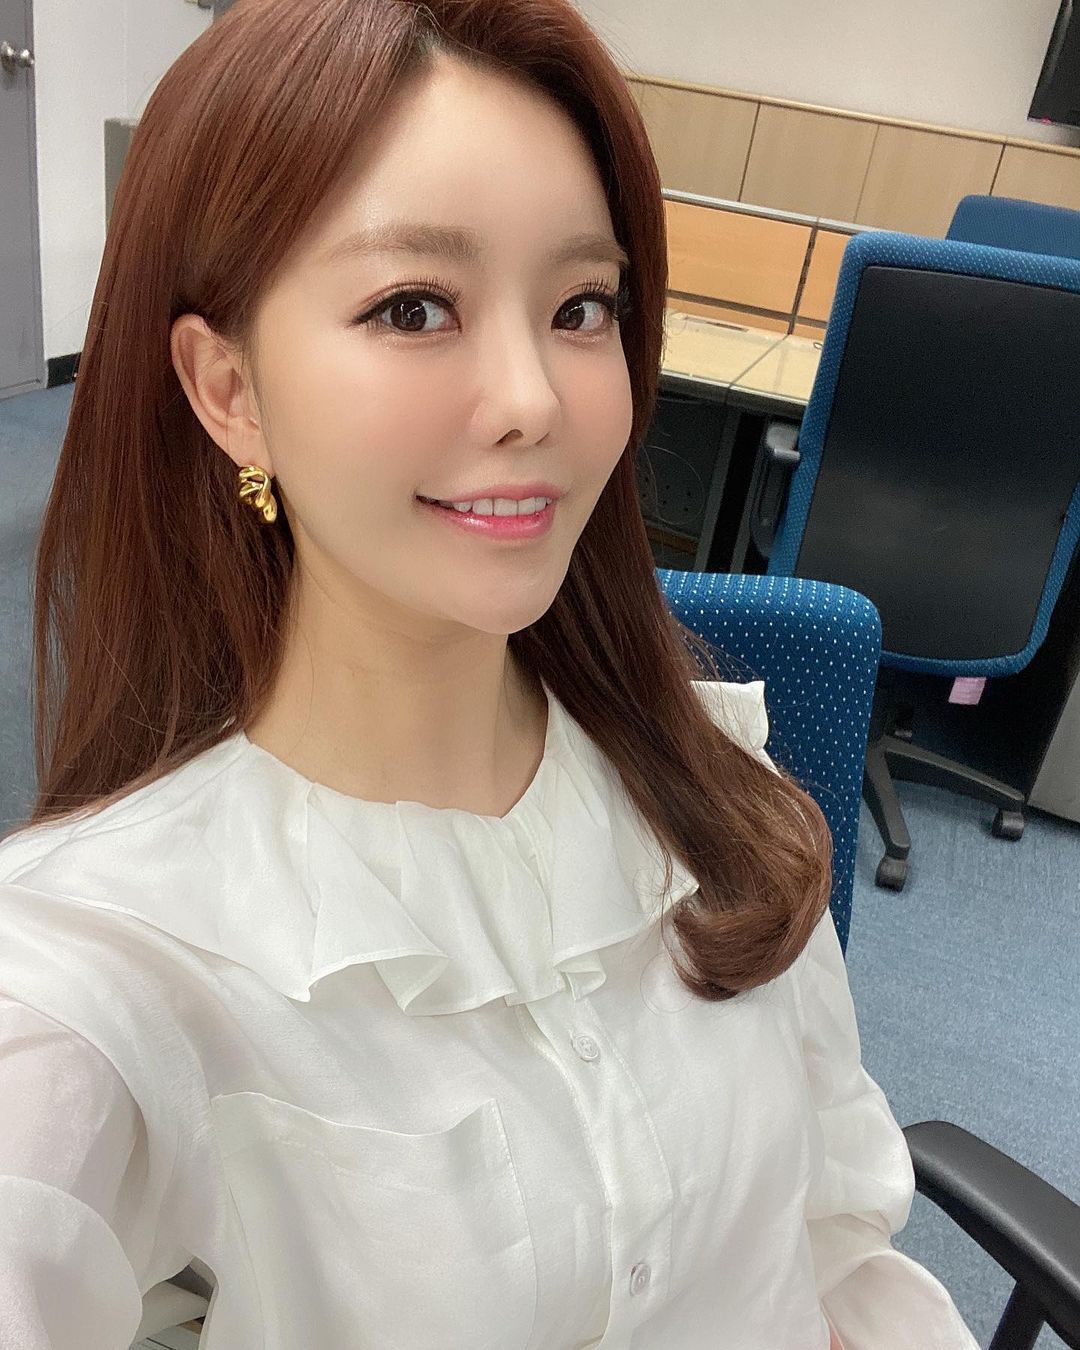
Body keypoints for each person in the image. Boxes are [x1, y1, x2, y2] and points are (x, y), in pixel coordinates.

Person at [0, 0, 981, 1346]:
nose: (534, 397)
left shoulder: (718, 788)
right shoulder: (94, 973)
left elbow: (838, 1256)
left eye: (581, 306)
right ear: (229, 390)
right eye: (415, 307)